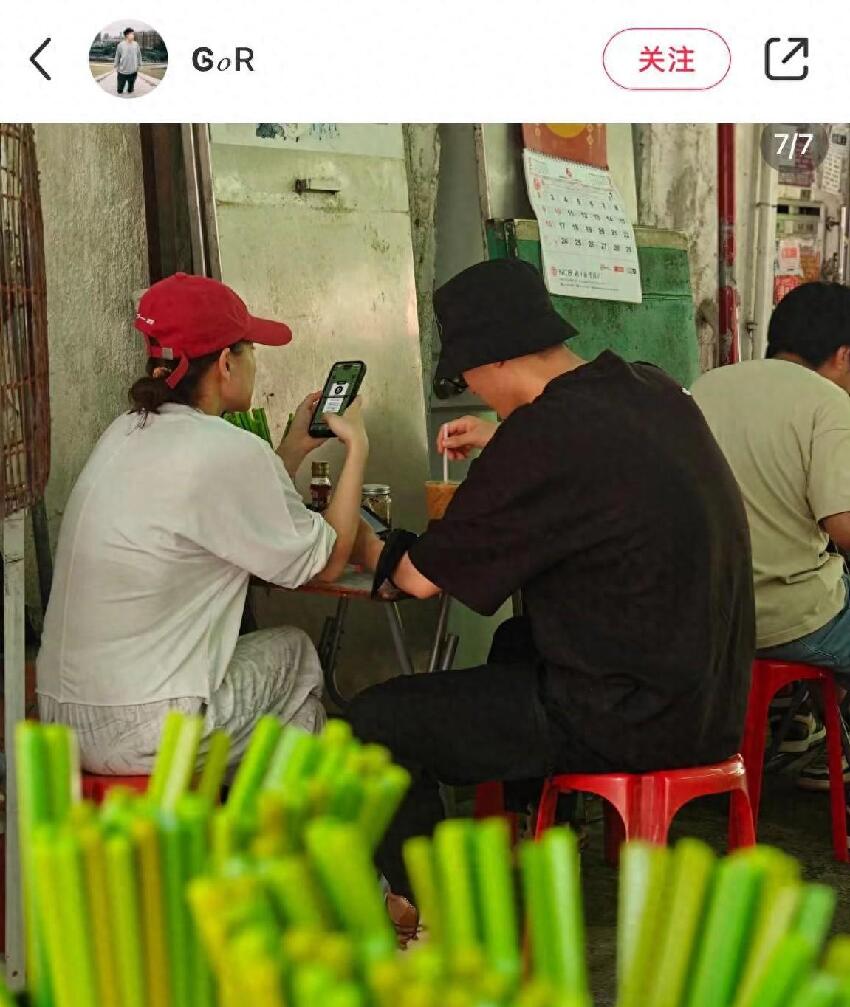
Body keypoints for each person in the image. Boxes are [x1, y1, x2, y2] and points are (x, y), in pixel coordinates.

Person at [349, 258, 755, 906]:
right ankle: (535, 840)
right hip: (708, 699)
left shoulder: (544, 437)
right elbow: (586, 469)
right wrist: (503, 440)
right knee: (517, 639)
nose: (472, 387)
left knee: (374, 722)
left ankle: (429, 912)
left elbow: (420, 580)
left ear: (492, 359)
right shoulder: (646, 389)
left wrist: (363, 539)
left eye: (466, 374)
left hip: (629, 716)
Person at [37, 271, 370, 773]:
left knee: (283, 711)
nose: (255, 362)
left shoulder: (125, 432)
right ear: (224, 364)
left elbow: (227, 508)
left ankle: (232, 835)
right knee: (296, 655)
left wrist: (295, 448)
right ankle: (281, 841)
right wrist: (358, 445)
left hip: (61, 721)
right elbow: (326, 564)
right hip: (147, 727)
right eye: (252, 349)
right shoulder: (227, 449)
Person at [692, 281, 850, 789]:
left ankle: (795, 730)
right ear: (844, 354)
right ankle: (824, 751)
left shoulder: (705, 386)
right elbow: (842, 525)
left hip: (704, 613)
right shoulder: (829, 404)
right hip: (785, 621)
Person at [115, 28, 142, 94]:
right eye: (132, 34)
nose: (133, 35)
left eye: (133, 34)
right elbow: (117, 56)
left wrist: (139, 65)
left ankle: (130, 88)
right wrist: (116, 65)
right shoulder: (120, 45)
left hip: (133, 71)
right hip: (122, 72)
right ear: (127, 35)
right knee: (119, 91)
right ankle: (120, 89)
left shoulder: (136, 44)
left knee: (130, 90)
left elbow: (139, 55)